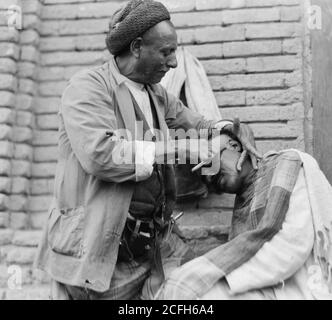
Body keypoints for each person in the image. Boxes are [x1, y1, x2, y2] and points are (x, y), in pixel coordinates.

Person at [34, 0, 260, 300]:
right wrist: (182, 150)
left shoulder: (155, 93)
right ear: (137, 46)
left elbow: (196, 122)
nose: (174, 63)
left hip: (153, 245)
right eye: (166, 52)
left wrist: (229, 129)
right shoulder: (87, 88)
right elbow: (101, 154)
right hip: (100, 251)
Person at [156, 134, 332, 300]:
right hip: (270, 287)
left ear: (235, 146)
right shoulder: (242, 207)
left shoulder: (287, 164)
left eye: (209, 161)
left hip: (303, 287)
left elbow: (291, 247)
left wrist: (212, 276)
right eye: (203, 177)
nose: (208, 177)